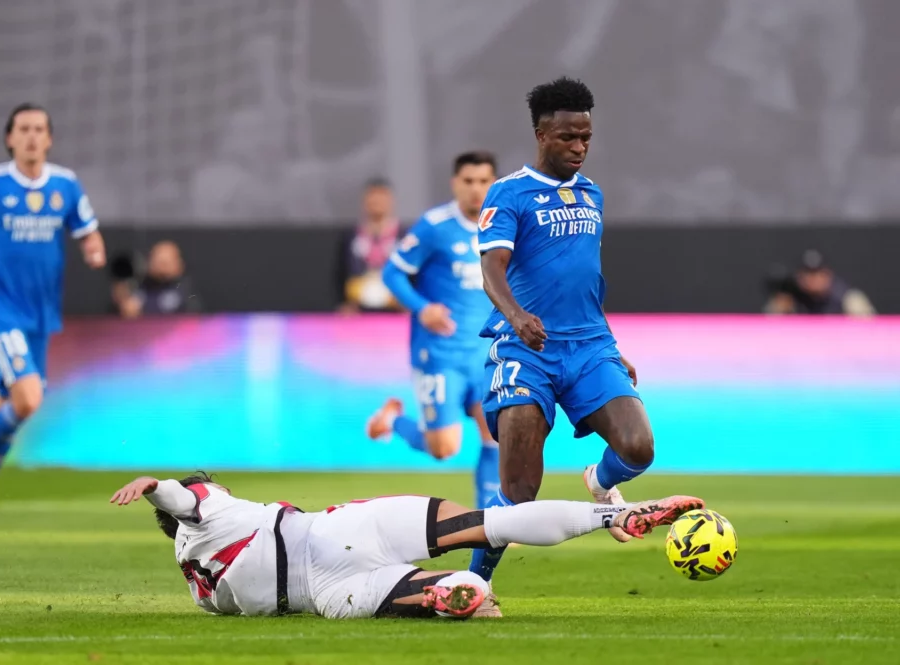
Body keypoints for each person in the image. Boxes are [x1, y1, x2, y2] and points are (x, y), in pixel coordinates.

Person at [471, 78, 653, 586]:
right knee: (520, 492)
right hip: (528, 350)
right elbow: (493, 269)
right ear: (541, 133)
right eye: (569, 137)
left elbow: (584, 281)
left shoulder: (591, 194)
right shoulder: (509, 193)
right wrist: (516, 317)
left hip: (591, 348)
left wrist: (613, 347)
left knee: (638, 448)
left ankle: (600, 480)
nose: (579, 148)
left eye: (586, 139)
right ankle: (475, 582)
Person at [110, 472, 703, 619]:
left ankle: (454, 596)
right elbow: (181, 496)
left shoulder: (200, 593)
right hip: (338, 530)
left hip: (327, 593)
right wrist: (152, 485)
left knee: (457, 591)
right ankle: (613, 516)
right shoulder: (205, 507)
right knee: (491, 522)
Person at [0, 102, 107, 533]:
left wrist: (93, 248)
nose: (31, 136)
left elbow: (87, 229)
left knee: (19, 405)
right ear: (10, 137)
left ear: (49, 138)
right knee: (28, 396)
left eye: (39, 129)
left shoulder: (65, 184)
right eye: (23, 129)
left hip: (40, 309)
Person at [367, 151, 500, 512]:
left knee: (496, 434)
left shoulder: (503, 226)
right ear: (455, 183)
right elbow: (393, 273)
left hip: (487, 354)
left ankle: (492, 519)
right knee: (444, 449)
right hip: (440, 354)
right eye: (468, 181)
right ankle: (393, 420)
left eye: (483, 181)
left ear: (494, 184)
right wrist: (422, 308)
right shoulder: (435, 226)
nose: (476, 189)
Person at [339, 178, 401, 313]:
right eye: (372, 196)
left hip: (396, 312)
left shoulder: (404, 237)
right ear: (364, 201)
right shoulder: (350, 237)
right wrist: (344, 303)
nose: (377, 201)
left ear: (390, 200)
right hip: (359, 313)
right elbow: (340, 274)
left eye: (382, 196)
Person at [763, 249, 875, 316]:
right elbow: (769, 330)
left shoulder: (848, 298)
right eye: (808, 273)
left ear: (828, 274)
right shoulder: (791, 299)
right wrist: (781, 309)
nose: (813, 279)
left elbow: (869, 331)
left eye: (818, 273)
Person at [112, 241, 202, 318]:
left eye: (166, 262)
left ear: (179, 264)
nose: (162, 267)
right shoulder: (138, 288)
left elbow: (193, 319)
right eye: (158, 261)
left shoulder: (185, 291)